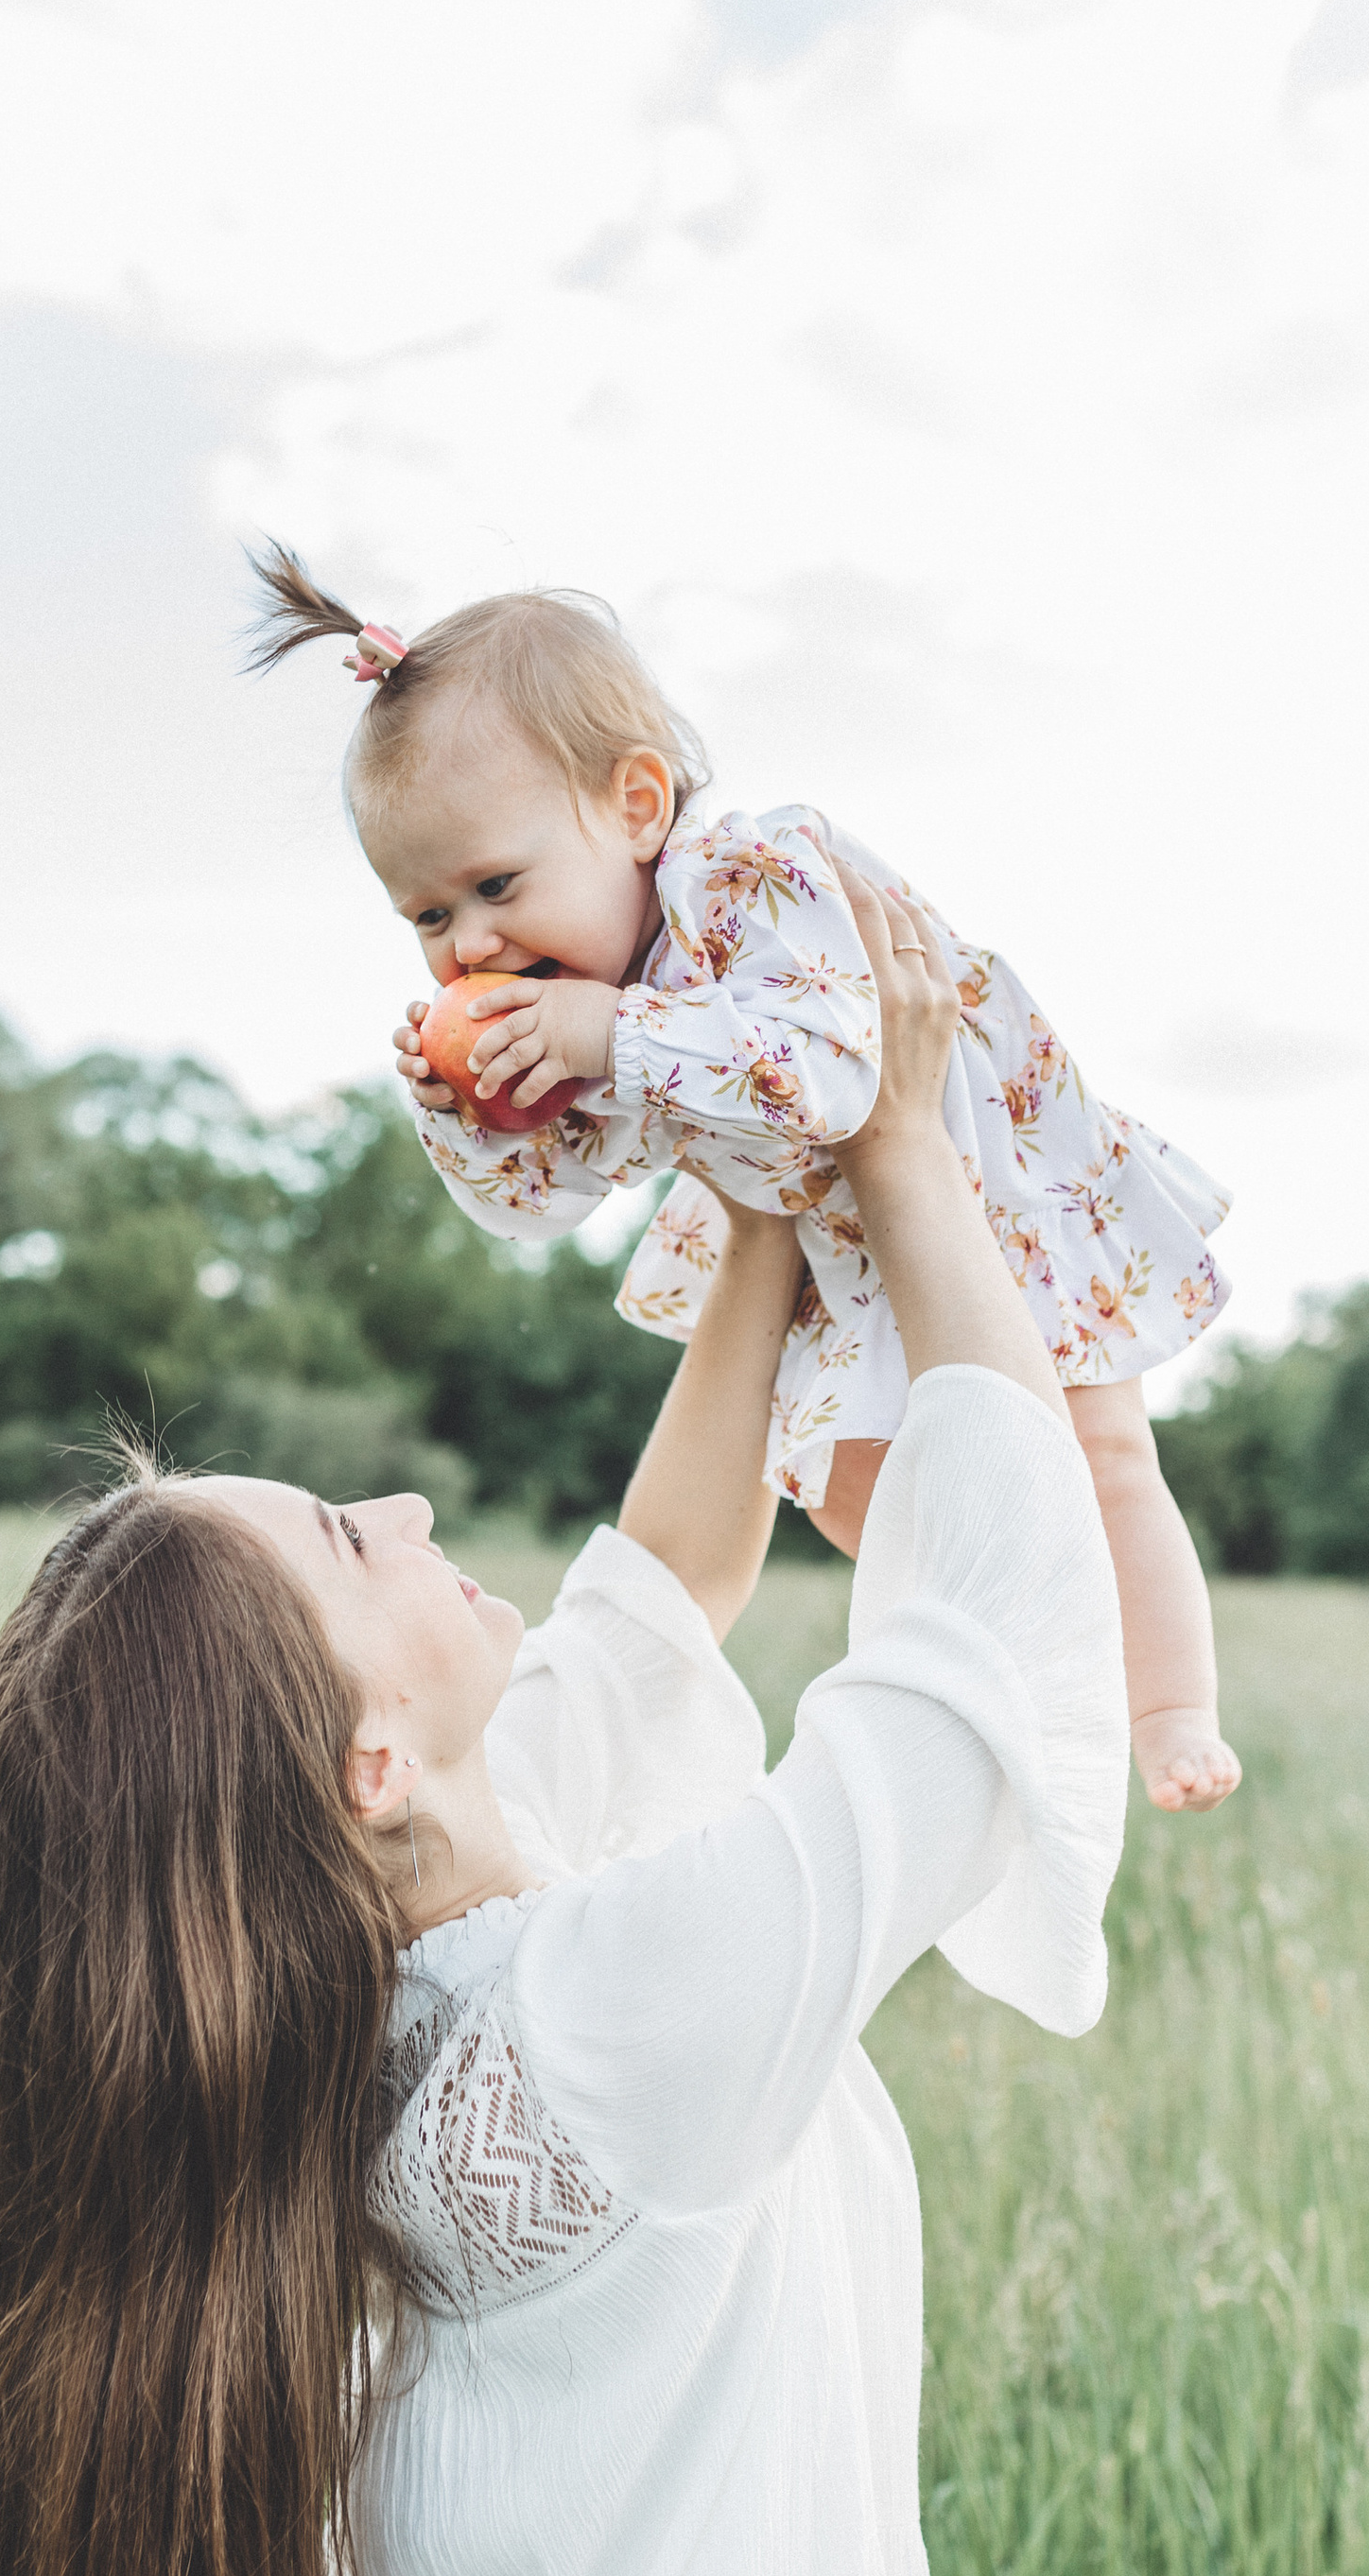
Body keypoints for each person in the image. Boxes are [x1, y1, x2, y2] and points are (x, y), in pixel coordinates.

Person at [0, 886, 1131, 2576]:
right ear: (371, 1763)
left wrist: (762, 1219)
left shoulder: (371, 2001)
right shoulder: (592, 2025)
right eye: (352, 1544)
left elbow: (667, 1593)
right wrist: (907, 1152)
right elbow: (979, 1672)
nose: (404, 1516)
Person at [246, 544, 1239, 1816]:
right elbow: (541, 1208)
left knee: (1098, 1450)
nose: (471, 945)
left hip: (996, 1191)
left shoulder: (752, 876)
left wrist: (610, 1037)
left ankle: (1170, 1715)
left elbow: (833, 1070)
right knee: (842, 1483)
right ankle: (1039, 1688)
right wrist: (470, 1118)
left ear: (639, 805)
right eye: (428, 919)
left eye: (495, 885)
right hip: (845, 1250)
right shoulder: (586, 992)